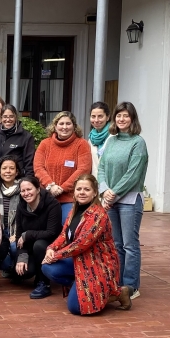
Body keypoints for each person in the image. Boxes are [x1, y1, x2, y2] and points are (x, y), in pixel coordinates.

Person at [42, 174, 133, 315]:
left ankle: (118, 293)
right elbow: (64, 235)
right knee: (48, 268)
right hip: (80, 261)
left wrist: (56, 255)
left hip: (98, 265)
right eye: (79, 189)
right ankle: (83, 290)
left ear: (95, 192)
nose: (82, 192)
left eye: (87, 189)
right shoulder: (74, 211)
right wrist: (51, 248)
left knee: (76, 308)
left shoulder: (98, 214)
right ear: (74, 192)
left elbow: (80, 244)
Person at [97, 102, 148, 299]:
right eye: (119, 116)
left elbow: (133, 174)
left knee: (129, 245)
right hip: (110, 199)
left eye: (126, 116)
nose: (121, 119)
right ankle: (117, 284)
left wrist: (113, 194)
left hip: (129, 200)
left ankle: (131, 286)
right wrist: (104, 191)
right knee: (116, 244)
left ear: (132, 119)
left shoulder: (138, 142)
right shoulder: (111, 140)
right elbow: (101, 168)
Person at [34, 111, 92, 223]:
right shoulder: (45, 144)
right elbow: (38, 167)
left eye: (68, 124)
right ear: (55, 126)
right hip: (46, 197)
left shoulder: (81, 144)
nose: (64, 127)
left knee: (67, 228)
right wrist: (51, 186)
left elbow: (83, 169)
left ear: (74, 126)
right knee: (46, 230)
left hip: (70, 198)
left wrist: (62, 188)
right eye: (61, 124)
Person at [14, 176, 62, 298]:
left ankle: (44, 284)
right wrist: (22, 255)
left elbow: (52, 232)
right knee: (23, 272)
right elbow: (19, 235)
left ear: (38, 189)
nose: (26, 193)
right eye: (23, 191)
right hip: (30, 246)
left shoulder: (52, 204)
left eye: (29, 189)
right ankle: (36, 273)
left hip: (50, 245)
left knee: (39, 244)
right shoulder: (21, 206)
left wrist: (28, 234)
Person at [0, 155, 23, 276]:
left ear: (17, 172)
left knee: (14, 247)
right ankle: (7, 266)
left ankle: (15, 270)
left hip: (17, 230)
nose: (8, 171)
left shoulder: (24, 189)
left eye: (11, 168)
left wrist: (18, 234)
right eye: (4, 168)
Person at [0, 104, 36, 176]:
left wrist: (28, 180)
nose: (8, 120)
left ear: (16, 117)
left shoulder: (26, 137)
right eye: (5, 117)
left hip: (17, 179)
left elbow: (29, 163)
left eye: (11, 116)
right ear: (1, 118)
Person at [88, 102, 111, 178]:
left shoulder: (115, 136)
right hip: (94, 183)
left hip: (110, 183)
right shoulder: (91, 139)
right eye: (93, 116)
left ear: (107, 117)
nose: (96, 120)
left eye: (100, 116)